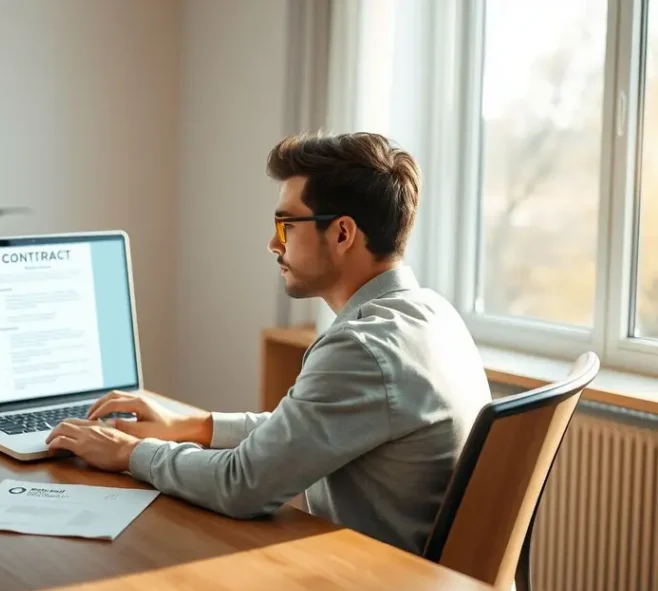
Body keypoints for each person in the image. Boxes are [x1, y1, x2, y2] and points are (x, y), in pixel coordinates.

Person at [47, 131, 491, 554]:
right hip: (430, 583)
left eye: (285, 226)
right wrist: (192, 426)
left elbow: (241, 484)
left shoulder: (362, 348)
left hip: (380, 588)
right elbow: (303, 428)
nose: (272, 244)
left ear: (342, 234)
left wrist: (129, 453)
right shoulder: (433, 316)